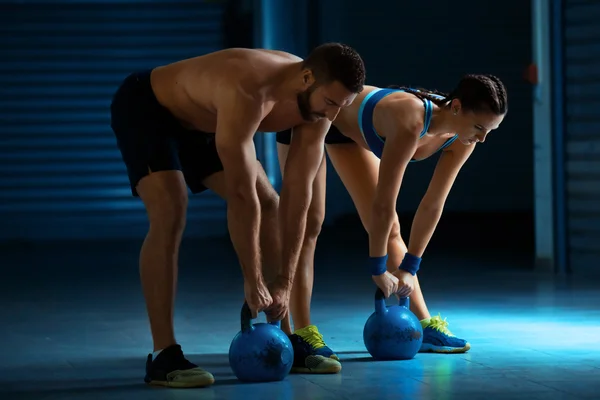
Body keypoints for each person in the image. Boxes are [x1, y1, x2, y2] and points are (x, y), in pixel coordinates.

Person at [109, 43, 366, 388]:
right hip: (149, 109)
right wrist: (254, 279)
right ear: (307, 78)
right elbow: (242, 197)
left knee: (272, 203)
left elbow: (298, 196)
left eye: (341, 106)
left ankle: (286, 338)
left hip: (206, 121)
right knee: (171, 210)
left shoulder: (319, 108)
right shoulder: (250, 87)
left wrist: (283, 283)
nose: (332, 113)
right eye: (331, 102)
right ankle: (162, 355)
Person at [276, 74, 508, 372]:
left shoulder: (463, 140)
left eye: (490, 130)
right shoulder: (409, 120)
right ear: (457, 106)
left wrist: (410, 267)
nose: (482, 138)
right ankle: (302, 332)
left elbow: (432, 204)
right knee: (309, 224)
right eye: (479, 127)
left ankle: (423, 326)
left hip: (349, 131)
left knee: (392, 229)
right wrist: (378, 269)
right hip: (314, 112)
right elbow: (384, 202)